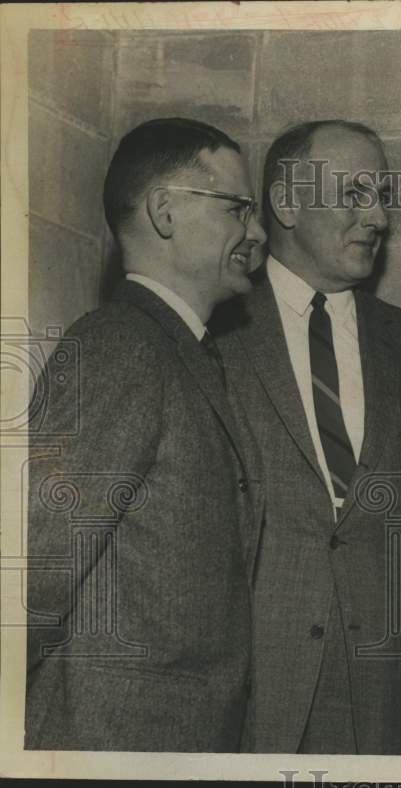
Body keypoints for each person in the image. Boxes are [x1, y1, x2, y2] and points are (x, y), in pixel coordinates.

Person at [25, 117, 267, 751]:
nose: (257, 233)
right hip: (112, 738)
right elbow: (35, 568)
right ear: (165, 211)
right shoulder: (120, 347)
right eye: (238, 208)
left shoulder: (184, 351)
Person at [212, 120, 401, 754]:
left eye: (382, 194)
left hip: (379, 692)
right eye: (353, 194)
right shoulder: (216, 332)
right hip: (251, 691)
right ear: (287, 203)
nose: (378, 217)